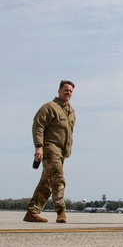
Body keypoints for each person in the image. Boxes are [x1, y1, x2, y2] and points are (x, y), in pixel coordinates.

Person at [24, 81, 76, 223]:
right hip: (50, 149)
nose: (68, 93)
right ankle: (61, 211)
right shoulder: (49, 108)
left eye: (71, 91)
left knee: (46, 182)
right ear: (59, 90)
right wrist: (39, 146)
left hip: (62, 152)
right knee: (58, 179)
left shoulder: (71, 112)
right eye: (66, 90)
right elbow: (38, 126)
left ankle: (32, 211)